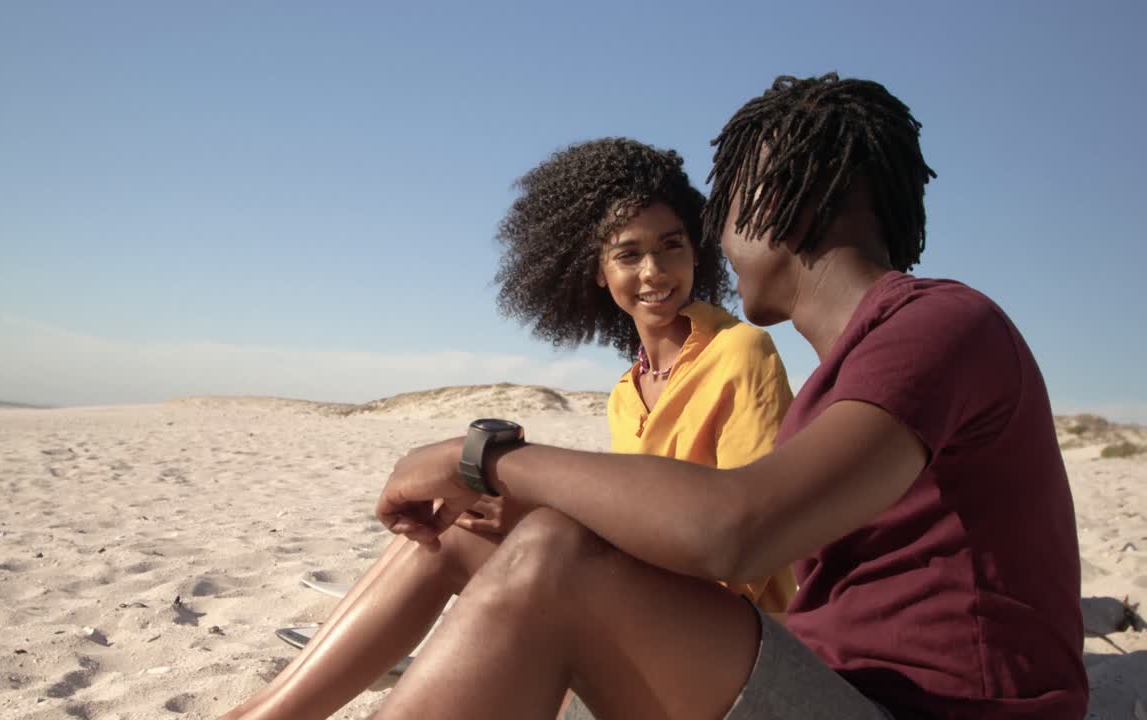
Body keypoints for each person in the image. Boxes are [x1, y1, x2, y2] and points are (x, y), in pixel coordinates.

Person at [370, 74, 1088, 720]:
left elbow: (738, 532)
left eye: (727, 205)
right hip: (829, 679)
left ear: (786, 201)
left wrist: (487, 458)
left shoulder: (940, 325)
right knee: (521, 551)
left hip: (924, 709)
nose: (715, 239)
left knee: (557, 556)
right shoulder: (856, 375)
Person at [221, 139, 798, 720]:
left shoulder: (740, 352)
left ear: (696, 254)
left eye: (671, 246)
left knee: (542, 535)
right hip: (655, 612)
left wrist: (554, 526)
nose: (654, 272)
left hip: (731, 642)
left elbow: (747, 553)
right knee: (453, 526)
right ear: (598, 272)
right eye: (628, 255)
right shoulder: (627, 393)